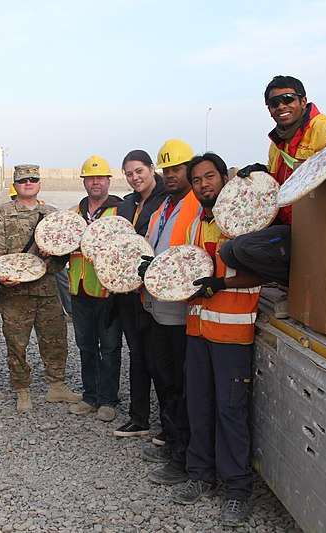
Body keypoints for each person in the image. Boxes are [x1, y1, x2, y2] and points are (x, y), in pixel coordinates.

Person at [221, 75, 326, 288]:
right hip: (292, 228)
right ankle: (297, 285)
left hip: (318, 230)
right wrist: (262, 175)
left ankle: (307, 286)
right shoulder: (277, 144)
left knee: (245, 248)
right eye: (274, 103)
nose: (281, 106)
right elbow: (282, 187)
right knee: (229, 252)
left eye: (288, 99)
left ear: (303, 102)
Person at [169, 152, 263, 528]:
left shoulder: (242, 222)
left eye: (210, 177)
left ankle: (238, 490)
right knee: (200, 405)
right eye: (197, 180)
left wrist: (220, 284)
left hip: (232, 332)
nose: (204, 184)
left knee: (230, 411)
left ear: (225, 179)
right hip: (198, 330)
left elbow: (259, 272)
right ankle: (200, 474)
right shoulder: (195, 225)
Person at [0, 164, 81, 413]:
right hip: (15, 293)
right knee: (16, 344)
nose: (29, 183)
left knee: (55, 340)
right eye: (23, 180)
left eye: (33, 179)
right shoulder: (3, 214)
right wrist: (0, 277)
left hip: (47, 291)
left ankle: (56, 385)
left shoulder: (51, 215)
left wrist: (53, 261)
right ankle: (22, 389)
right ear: (15, 185)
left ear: (39, 183)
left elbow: (64, 254)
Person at [138, 139, 201, 487]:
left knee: (180, 383)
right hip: (157, 308)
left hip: (181, 313)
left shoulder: (197, 205)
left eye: (177, 168)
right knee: (164, 379)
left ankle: (183, 454)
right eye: (167, 170)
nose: (171, 175)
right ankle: (172, 439)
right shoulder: (164, 206)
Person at [113, 150, 168, 440]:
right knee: (136, 354)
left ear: (151, 168)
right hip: (127, 292)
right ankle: (139, 418)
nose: (135, 177)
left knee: (158, 358)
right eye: (129, 173)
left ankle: (168, 424)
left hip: (153, 291)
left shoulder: (166, 200)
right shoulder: (126, 204)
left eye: (139, 171)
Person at [67, 155, 123, 422]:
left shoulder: (120, 212)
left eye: (100, 177)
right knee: (86, 345)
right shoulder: (73, 215)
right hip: (79, 289)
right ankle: (90, 396)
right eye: (91, 178)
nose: (96, 182)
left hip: (108, 292)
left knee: (110, 347)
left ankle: (108, 400)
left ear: (108, 181)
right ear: (84, 182)